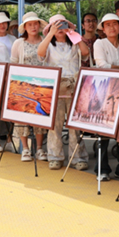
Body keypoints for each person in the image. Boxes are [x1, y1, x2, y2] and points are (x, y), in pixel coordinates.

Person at [38, 14, 90, 170]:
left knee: (75, 125)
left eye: (62, 24)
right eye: (56, 25)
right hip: (55, 87)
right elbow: (40, 53)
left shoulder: (74, 43)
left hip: (74, 86)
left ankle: (78, 157)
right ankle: (55, 156)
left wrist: (74, 35)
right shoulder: (48, 44)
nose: (60, 28)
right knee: (55, 124)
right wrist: (50, 34)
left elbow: (85, 53)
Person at [92, 13, 119, 181]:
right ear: (103, 28)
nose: (111, 28)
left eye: (114, 24)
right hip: (104, 91)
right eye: (107, 25)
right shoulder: (99, 43)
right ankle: (102, 169)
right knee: (103, 132)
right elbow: (102, 65)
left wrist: (116, 68)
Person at [9, 12, 49, 161]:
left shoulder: (45, 40)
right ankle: (25, 148)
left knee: (40, 114)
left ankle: (39, 148)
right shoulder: (18, 43)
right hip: (23, 84)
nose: (33, 27)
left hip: (41, 85)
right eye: (30, 24)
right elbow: (13, 62)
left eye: (35, 24)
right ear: (25, 27)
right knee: (22, 115)